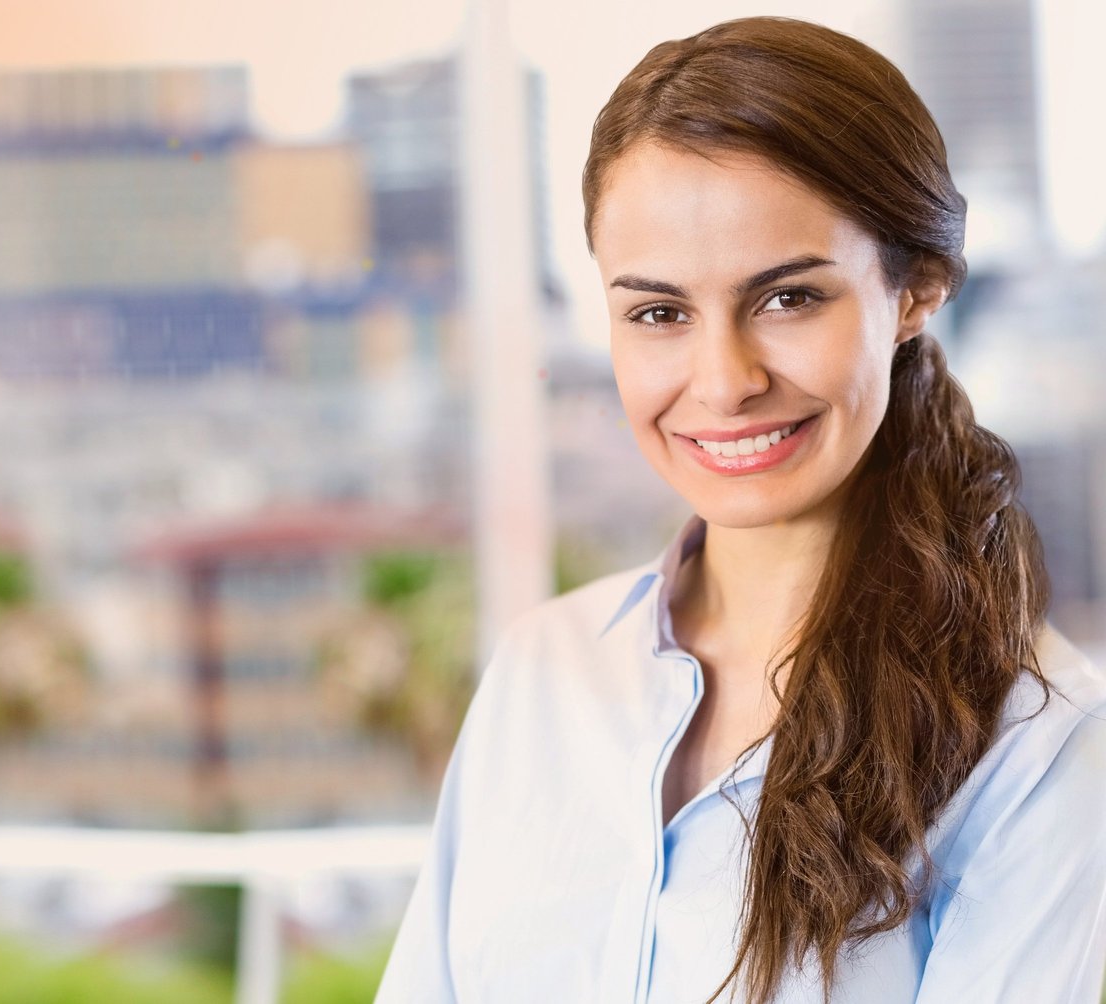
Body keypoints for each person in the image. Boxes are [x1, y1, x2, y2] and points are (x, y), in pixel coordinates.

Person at [374, 16, 1106, 1004]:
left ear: (914, 292)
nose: (723, 382)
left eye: (787, 298)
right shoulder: (542, 676)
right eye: (660, 312)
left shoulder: (1037, 748)